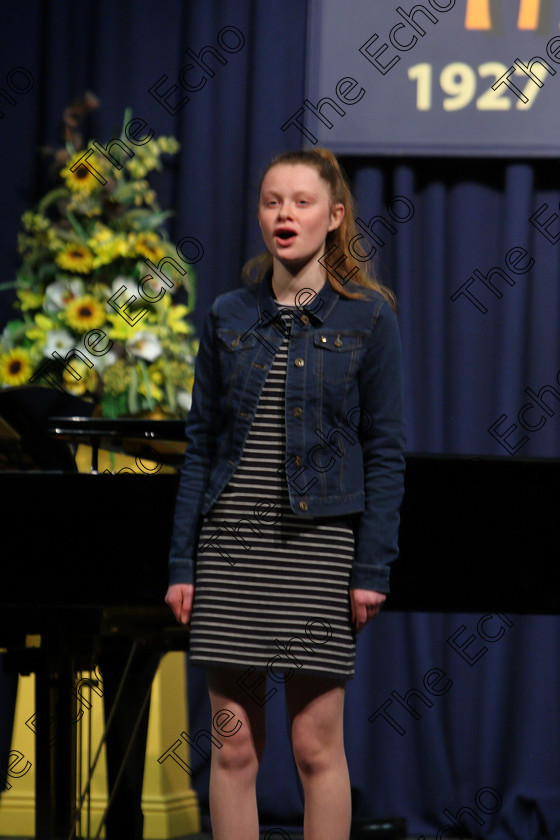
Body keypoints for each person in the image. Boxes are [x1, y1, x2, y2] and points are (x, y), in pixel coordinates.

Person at [165, 148, 406, 840]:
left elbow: (386, 453)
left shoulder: (368, 319)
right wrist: (183, 564)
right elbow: (201, 445)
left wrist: (372, 569)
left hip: (319, 546)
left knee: (313, 746)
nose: (284, 215)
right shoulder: (227, 315)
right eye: (272, 201)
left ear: (333, 218)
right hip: (231, 550)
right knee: (234, 745)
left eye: (301, 203)